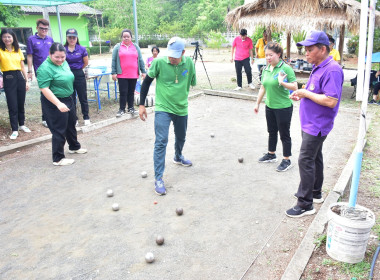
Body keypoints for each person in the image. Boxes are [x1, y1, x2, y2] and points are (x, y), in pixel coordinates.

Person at [286, 31, 344, 218]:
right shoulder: (318, 66)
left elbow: (330, 100)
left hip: (317, 125)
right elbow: (314, 91)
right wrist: (301, 93)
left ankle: (305, 204)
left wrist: (306, 94)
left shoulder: (332, 69)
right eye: (305, 50)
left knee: (305, 159)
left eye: (310, 50)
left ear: (323, 49)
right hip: (309, 122)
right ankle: (316, 192)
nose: (306, 53)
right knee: (315, 156)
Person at [138, 37, 196, 196]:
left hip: (181, 108)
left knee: (181, 137)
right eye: (170, 54)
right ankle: (158, 178)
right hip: (163, 107)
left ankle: (178, 156)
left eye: (175, 55)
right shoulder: (159, 62)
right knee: (161, 141)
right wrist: (142, 104)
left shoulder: (189, 63)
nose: (172, 58)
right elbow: (146, 82)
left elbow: (192, 82)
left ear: (183, 53)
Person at [37, 43, 87, 166]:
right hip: (54, 101)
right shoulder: (44, 68)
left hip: (68, 98)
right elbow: (44, 89)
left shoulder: (64, 63)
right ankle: (58, 158)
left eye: (62, 57)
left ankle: (74, 147)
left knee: (71, 124)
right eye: (57, 57)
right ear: (50, 54)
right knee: (59, 129)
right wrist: (58, 104)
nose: (60, 60)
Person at [254, 42, 298, 172]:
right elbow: (263, 87)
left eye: (270, 55)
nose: (268, 57)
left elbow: (295, 86)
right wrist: (257, 103)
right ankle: (271, 154)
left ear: (278, 54)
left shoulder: (286, 68)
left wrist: (282, 82)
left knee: (284, 134)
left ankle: (286, 160)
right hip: (270, 106)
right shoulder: (266, 69)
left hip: (283, 107)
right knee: (271, 131)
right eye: (266, 55)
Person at [0, 29, 30, 140]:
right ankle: (14, 129)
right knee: (12, 105)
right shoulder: (0, 51)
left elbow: (22, 67)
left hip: (19, 77)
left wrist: (26, 81)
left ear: (13, 38)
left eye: (9, 37)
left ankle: (22, 124)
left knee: (21, 103)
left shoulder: (18, 50)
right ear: (2, 38)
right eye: (5, 37)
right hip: (8, 77)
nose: (7, 39)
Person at [112, 29, 146, 117]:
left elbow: (141, 60)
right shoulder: (117, 47)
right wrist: (113, 72)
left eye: (128, 36)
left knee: (131, 92)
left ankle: (131, 108)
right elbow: (114, 60)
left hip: (133, 74)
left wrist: (143, 71)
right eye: (124, 37)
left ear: (131, 37)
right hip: (122, 74)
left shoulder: (135, 47)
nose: (126, 38)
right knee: (123, 92)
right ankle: (121, 109)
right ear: (122, 37)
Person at [27, 18, 54, 128]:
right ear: (37, 27)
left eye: (46, 29)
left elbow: (53, 55)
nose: (44, 30)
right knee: (44, 93)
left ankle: (53, 114)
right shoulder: (31, 39)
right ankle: (45, 118)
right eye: (41, 28)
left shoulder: (50, 39)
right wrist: (29, 71)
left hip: (52, 70)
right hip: (40, 72)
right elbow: (29, 56)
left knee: (53, 92)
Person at [64, 28, 90, 126]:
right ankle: (74, 118)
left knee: (83, 96)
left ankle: (86, 117)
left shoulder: (82, 49)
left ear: (76, 38)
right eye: (70, 37)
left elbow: (85, 62)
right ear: (67, 38)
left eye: (74, 37)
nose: (72, 39)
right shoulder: (63, 49)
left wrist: (78, 69)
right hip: (67, 75)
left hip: (79, 74)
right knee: (71, 98)